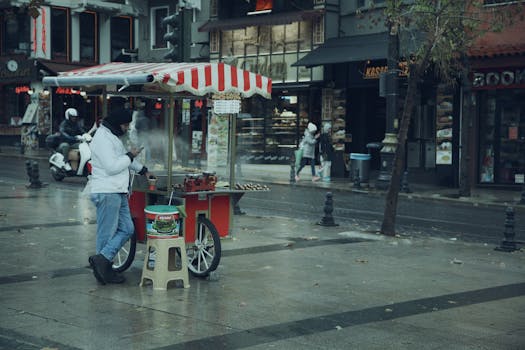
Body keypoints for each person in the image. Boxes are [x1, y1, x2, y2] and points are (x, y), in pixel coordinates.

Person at [88, 108, 155, 284]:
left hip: (119, 190)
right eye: (125, 125)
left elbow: (123, 160)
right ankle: (104, 269)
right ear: (117, 123)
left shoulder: (112, 136)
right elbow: (112, 166)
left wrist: (144, 170)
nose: (126, 128)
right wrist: (130, 155)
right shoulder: (102, 139)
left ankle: (102, 259)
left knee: (127, 228)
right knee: (106, 234)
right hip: (107, 191)